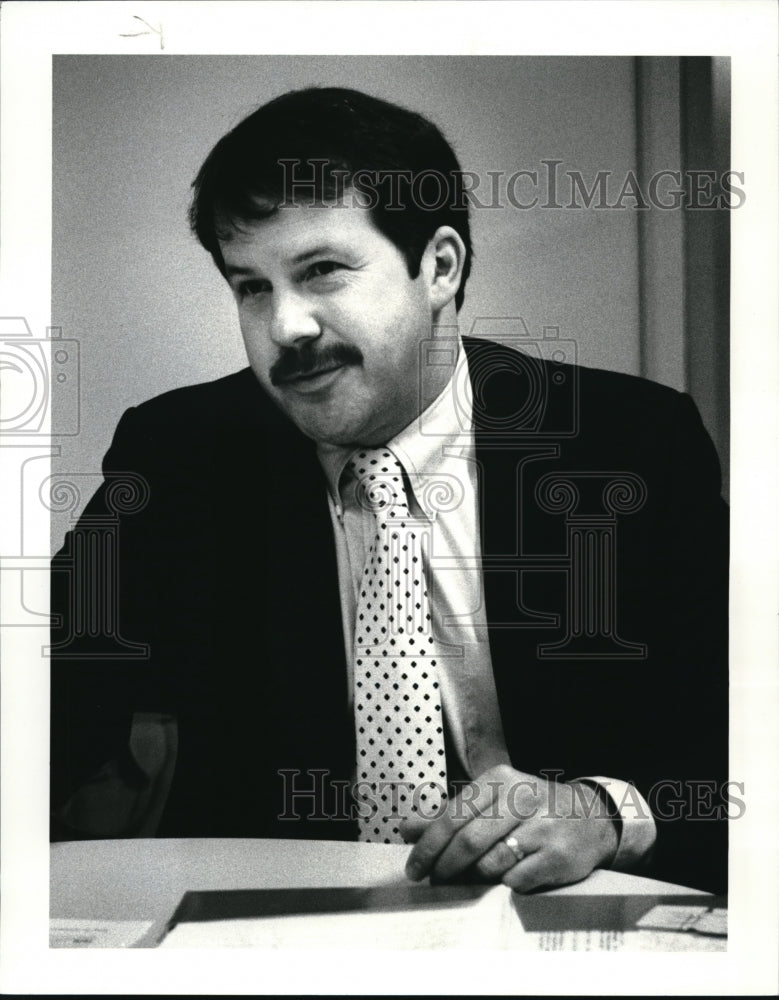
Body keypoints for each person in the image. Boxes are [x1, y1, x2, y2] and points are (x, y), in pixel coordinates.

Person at [50, 87, 729, 895]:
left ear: (438, 266)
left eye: (322, 272)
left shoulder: (631, 444)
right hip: (271, 932)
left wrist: (603, 810)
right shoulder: (182, 452)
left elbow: (742, 734)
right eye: (251, 286)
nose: (285, 327)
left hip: (553, 919)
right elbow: (52, 693)